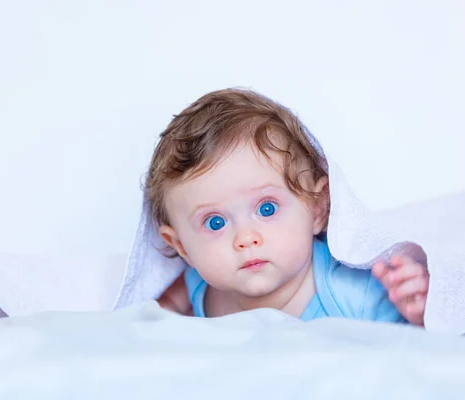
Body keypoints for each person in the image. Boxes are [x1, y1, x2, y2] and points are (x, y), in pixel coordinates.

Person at [150, 88, 429, 326]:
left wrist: (417, 316)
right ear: (183, 246)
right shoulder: (200, 286)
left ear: (317, 208)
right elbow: (154, 315)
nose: (245, 238)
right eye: (215, 222)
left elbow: (413, 361)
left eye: (267, 209)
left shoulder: (355, 293)